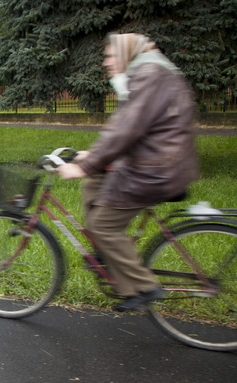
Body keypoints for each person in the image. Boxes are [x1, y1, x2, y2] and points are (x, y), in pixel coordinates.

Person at [57, 33, 199, 311]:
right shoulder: (148, 71)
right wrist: (93, 158)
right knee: (94, 183)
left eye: (111, 56)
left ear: (125, 53)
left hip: (155, 170)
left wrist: (83, 166)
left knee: (103, 225)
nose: (107, 63)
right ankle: (107, 253)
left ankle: (143, 286)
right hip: (154, 162)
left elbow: (128, 129)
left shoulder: (148, 74)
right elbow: (124, 127)